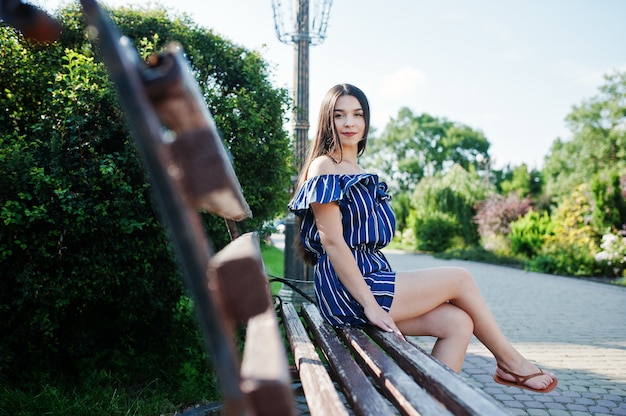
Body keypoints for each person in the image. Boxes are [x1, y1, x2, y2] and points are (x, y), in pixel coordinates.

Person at [287, 83, 558, 394]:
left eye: (358, 114)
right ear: (327, 121)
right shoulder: (325, 167)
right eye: (340, 115)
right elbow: (333, 242)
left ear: (366, 121)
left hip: (373, 279)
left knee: (457, 323)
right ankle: (511, 363)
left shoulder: (359, 171)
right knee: (459, 278)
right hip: (350, 290)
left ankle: (431, 404)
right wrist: (371, 306)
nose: (350, 123)